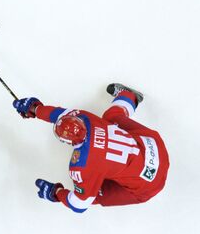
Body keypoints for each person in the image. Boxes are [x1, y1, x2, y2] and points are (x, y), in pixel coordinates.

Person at [12, 83, 169, 213]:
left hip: (150, 185)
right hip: (154, 146)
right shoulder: (85, 119)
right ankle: (129, 97)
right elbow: (58, 114)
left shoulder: (81, 166)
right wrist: (35, 109)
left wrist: (56, 193)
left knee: (96, 194)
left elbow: (79, 204)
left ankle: (105, 178)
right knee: (111, 118)